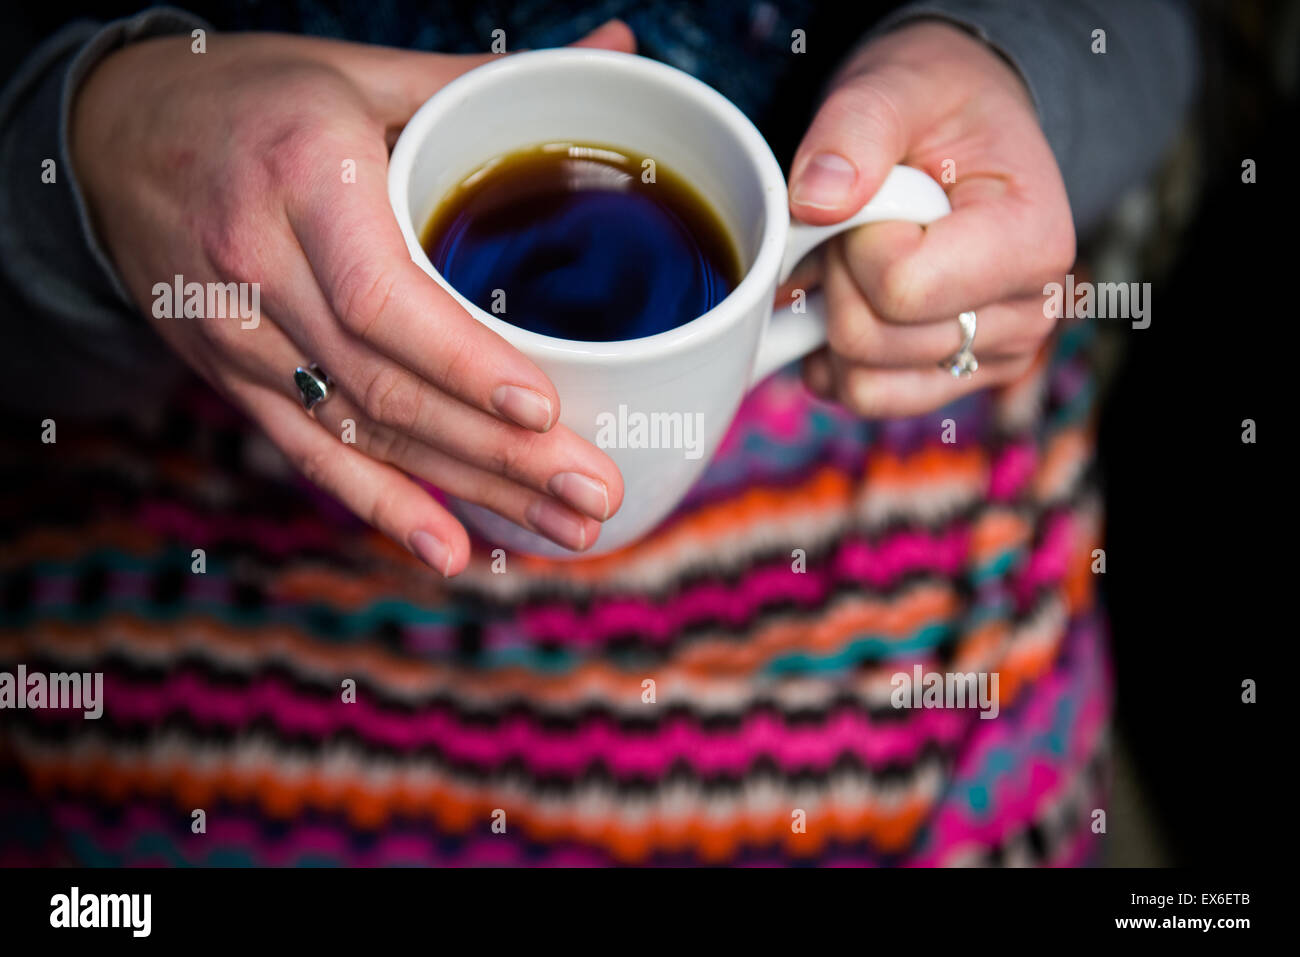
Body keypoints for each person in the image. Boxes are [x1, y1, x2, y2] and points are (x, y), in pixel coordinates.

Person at [0, 1, 1195, 865]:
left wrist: (996, 69)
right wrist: (99, 142)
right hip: (203, 422)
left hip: (877, 439)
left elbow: (1147, 33)